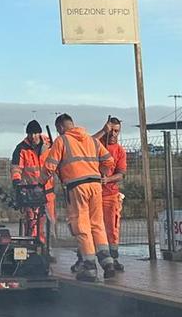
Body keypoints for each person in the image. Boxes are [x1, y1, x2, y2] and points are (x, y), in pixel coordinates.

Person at [44, 114, 118, 282]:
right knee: (97, 224)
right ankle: (108, 263)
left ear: (61, 128)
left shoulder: (62, 141)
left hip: (77, 187)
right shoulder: (91, 140)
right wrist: (102, 174)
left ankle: (89, 266)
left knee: (82, 225)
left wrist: (40, 183)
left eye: (58, 130)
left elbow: (50, 166)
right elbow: (109, 160)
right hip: (96, 186)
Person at [10, 120, 55, 242]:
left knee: (48, 222)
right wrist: (16, 181)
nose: (33, 136)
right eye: (30, 134)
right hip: (31, 193)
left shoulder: (51, 145)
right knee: (32, 221)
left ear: (39, 133)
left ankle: (47, 248)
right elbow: (16, 168)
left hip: (48, 192)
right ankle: (32, 246)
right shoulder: (21, 149)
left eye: (35, 133)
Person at [94, 116, 128, 271]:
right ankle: (85, 258)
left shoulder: (120, 151)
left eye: (117, 131)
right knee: (91, 227)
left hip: (110, 194)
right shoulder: (97, 145)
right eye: (111, 130)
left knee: (112, 228)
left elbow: (121, 174)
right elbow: (87, 143)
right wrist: (102, 131)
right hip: (94, 194)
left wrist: (107, 180)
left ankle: (113, 258)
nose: (114, 134)